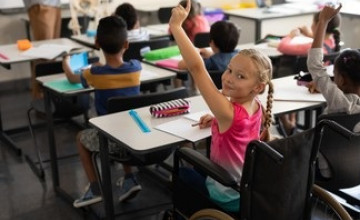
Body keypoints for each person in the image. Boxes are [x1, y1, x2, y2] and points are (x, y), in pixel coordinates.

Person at [169, 0, 274, 212]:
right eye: (229, 70)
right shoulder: (257, 106)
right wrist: (217, 118)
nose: (228, 78)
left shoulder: (229, 113)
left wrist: (176, 27)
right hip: (246, 190)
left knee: (181, 171)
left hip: (225, 196)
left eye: (240, 76)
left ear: (257, 87)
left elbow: (197, 68)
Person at [62, 16, 143, 208]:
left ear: (97, 43)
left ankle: (95, 188)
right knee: (124, 120)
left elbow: (73, 77)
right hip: (136, 135)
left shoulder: (95, 73)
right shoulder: (136, 68)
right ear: (126, 44)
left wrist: (66, 63)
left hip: (110, 140)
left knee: (81, 138)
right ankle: (129, 177)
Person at [307, 4, 360, 177]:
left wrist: (323, 21)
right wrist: (331, 81)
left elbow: (314, 65)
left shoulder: (338, 101)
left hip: (325, 169)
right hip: (358, 165)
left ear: (341, 79)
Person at [277, 9, 341, 136]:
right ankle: (293, 119)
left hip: (302, 83)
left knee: (281, 75)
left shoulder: (310, 47)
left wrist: (291, 36)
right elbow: (322, 42)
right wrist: (311, 35)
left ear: (319, 24)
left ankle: (285, 119)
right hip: (318, 81)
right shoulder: (333, 40)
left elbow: (282, 47)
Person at [23, 0, 62, 99]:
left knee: (53, 53)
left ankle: (51, 99)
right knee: (44, 55)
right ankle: (40, 99)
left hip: (54, 4)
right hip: (42, 5)